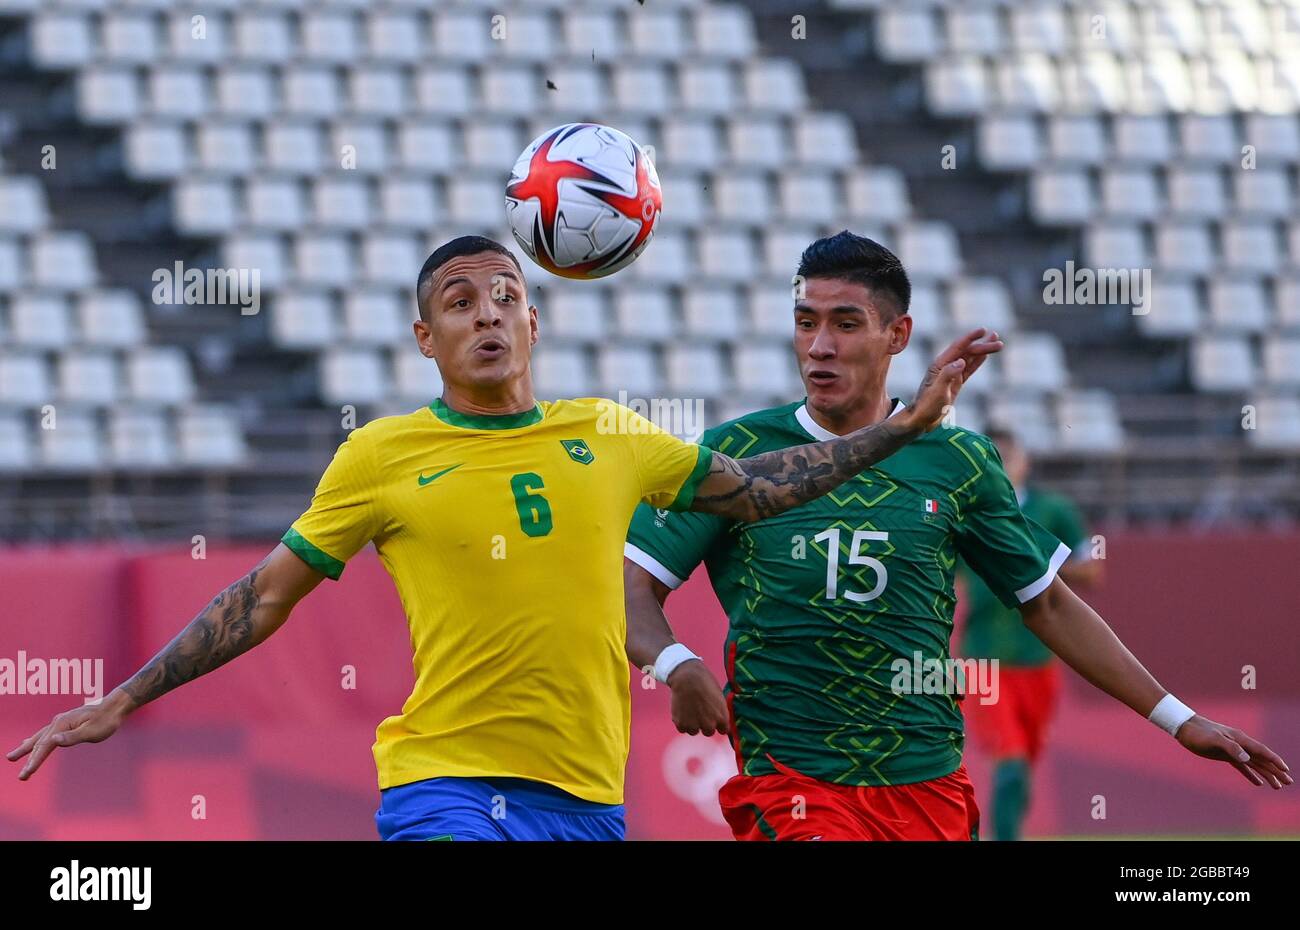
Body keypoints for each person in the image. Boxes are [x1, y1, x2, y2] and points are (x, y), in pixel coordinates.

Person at [8, 235, 1001, 841]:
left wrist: (900, 429)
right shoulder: (381, 457)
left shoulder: (610, 433)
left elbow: (758, 492)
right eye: (458, 302)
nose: (485, 313)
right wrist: (126, 697)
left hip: (582, 795)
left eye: (501, 297)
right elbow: (261, 599)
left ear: (532, 319)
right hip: (441, 781)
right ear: (423, 341)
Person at [623, 230, 1291, 842]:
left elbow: (1049, 603)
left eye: (845, 323)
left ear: (897, 333)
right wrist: (676, 665)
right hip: (793, 783)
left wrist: (1181, 720)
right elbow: (629, 590)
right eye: (806, 322)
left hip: (929, 783)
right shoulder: (732, 456)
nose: (819, 346)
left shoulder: (961, 463)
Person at [957, 427, 1098, 840]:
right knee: (1011, 761)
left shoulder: (1053, 511)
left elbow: (1092, 569)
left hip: (1038, 658)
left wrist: (1031, 564)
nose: (1001, 464)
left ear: (1024, 462)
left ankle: (1009, 830)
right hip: (983, 660)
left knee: (1024, 766)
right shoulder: (965, 511)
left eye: (1008, 455)